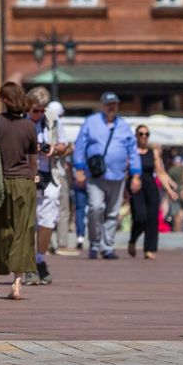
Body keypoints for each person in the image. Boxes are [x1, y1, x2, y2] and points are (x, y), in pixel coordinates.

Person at [0, 82, 38, 297]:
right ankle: (17, 285)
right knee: (22, 232)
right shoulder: (29, 126)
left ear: (3, 99)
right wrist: (32, 177)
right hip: (23, 183)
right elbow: (33, 161)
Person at [73, 92, 141, 260]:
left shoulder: (124, 125)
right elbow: (80, 145)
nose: (112, 107)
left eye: (114, 104)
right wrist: (79, 169)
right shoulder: (91, 122)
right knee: (95, 208)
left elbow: (133, 151)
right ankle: (94, 243)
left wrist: (136, 174)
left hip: (117, 175)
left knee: (112, 212)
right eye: (109, 104)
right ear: (102, 105)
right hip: (95, 175)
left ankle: (107, 247)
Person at [24, 88, 68, 284]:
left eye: (42, 110)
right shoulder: (19, 119)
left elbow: (64, 145)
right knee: (26, 222)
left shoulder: (52, 119)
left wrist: (53, 148)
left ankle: (39, 259)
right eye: (36, 110)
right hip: (25, 175)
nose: (39, 114)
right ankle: (27, 265)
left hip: (49, 175)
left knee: (48, 221)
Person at [128, 124, 178, 260]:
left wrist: (169, 190)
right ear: (136, 136)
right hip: (136, 186)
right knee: (140, 216)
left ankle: (150, 249)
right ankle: (133, 239)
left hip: (150, 186)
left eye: (146, 134)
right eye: (141, 134)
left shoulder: (153, 152)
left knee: (152, 217)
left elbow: (160, 173)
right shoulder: (131, 151)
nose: (144, 136)